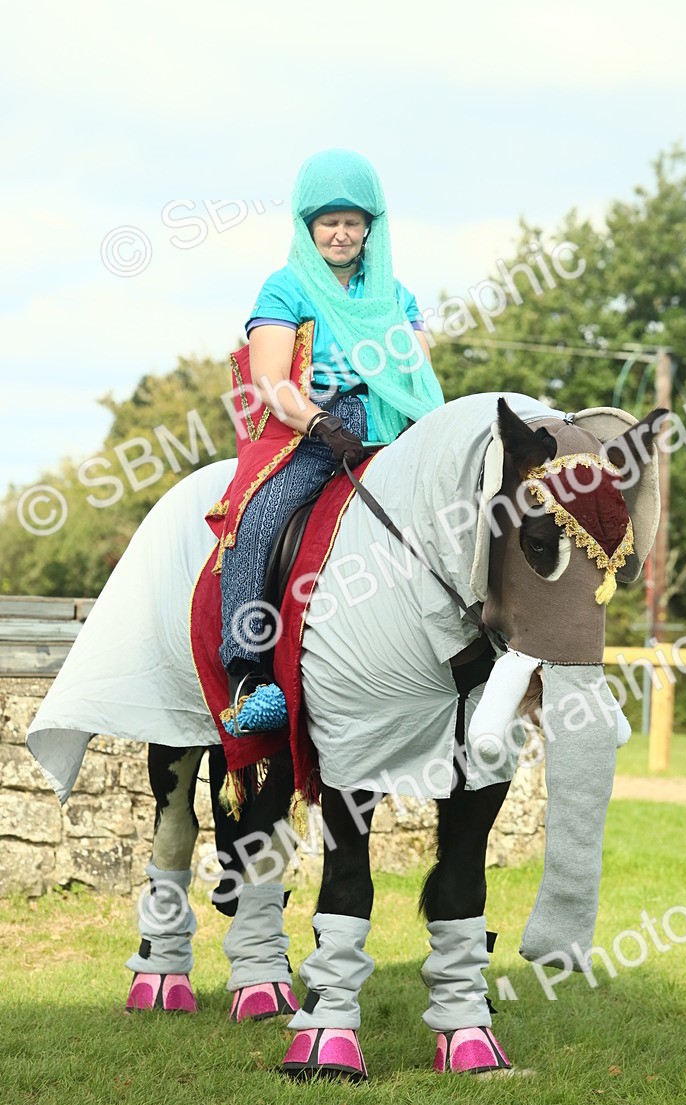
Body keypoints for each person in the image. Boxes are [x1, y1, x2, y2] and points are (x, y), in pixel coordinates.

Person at [211, 148, 444, 734]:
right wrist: (318, 422)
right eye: (329, 222)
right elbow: (269, 379)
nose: (341, 233)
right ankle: (249, 674)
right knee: (259, 513)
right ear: (308, 226)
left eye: (352, 222)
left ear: (371, 227)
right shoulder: (285, 287)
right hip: (317, 423)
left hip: (396, 421)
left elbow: (416, 373)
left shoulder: (397, 294)